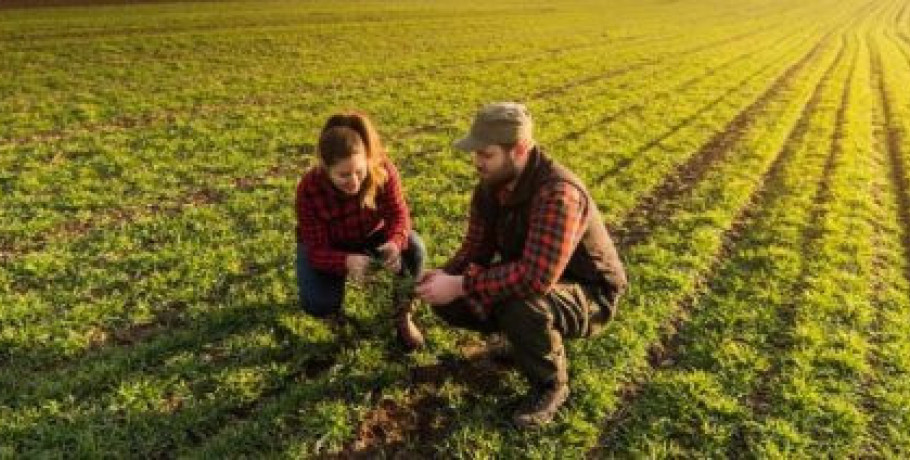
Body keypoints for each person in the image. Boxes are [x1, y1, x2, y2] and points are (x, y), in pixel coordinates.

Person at [416, 102, 627, 427]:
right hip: (535, 281)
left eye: (486, 155)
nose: (477, 163)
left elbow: (534, 278)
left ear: (520, 150)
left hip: (590, 293)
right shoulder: (489, 190)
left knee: (520, 301)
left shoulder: (558, 193)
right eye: (476, 154)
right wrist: (442, 277)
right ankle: (524, 344)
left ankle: (551, 386)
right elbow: (474, 251)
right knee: (453, 299)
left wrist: (462, 284)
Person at [296, 111, 425, 351]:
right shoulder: (309, 188)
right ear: (326, 168)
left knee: (414, 247)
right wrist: (345, 261)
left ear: (367, 159)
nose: (354, 182)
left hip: (371, 235)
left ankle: (403, 314)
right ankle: (334, 317)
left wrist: (395, 242)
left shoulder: (383, 170)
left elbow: (399, 215)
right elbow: (315, 249)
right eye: (343, 175)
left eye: (359, 171)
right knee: (317, 302)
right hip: (331, 245)